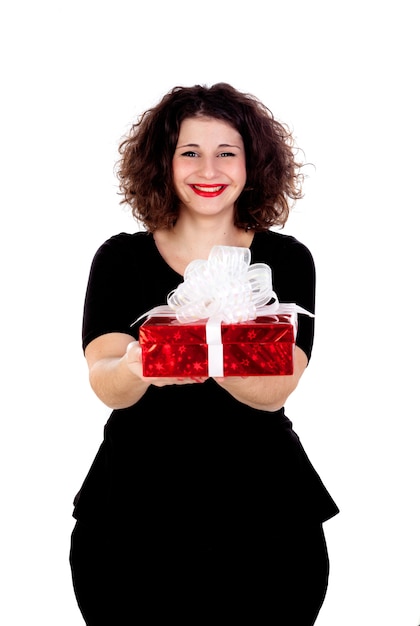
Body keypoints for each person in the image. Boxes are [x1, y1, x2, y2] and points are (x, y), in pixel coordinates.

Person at [69, 82, 339, 625]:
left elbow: (275, 388)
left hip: (268, 522)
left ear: (252, 163)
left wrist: (208, 345)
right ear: (163, 163)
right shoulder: (121, 259)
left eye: (226, 153)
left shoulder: (285, 261)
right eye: (189, 152)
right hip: (130, 521)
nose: (208, 169)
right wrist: (138, 365)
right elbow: (106, 380)